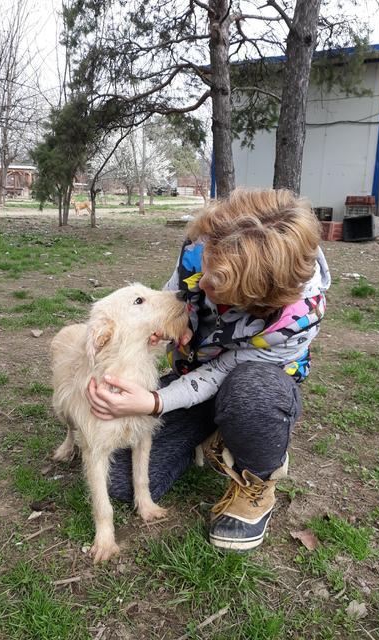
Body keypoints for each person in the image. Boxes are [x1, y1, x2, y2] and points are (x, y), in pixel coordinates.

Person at [86, 188, 331, 552]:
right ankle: (213, 433)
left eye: (216, 285)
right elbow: (175, 293)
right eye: (207, 264)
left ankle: (258, 474)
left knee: (252, 392)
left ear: (255, 299)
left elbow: (218, 374)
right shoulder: (207, 241)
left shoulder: (294, 320)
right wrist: (175, 325)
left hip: (250, 385)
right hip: (191, 376)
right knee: (121, 483)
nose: (201, 284)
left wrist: (153, 402)